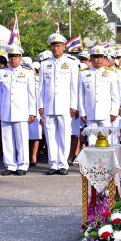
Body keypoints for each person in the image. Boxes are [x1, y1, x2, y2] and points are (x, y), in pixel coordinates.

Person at [0, 45, 38, 176]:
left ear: (20, 58)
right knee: (7, 140)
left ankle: (23, 165)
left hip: (21, 111)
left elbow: (31, 94)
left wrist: (32, 112)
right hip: (6, 110)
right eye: (11, 57)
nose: (13, 59)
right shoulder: (2, 72)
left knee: (21, 140)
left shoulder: (27, 72)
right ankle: (10, 165)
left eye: (16, 57)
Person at [39, 34, 78, 175]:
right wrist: (40, 105)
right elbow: (41, 88)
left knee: (64, 134)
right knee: (50, 135)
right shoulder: (45, 63)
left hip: (64, 104)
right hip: (49, 104)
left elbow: (74, 86)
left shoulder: (72, 62)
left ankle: (63, 163)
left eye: (59, 45)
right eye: (54, 45)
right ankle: (53, 163)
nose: (56, 48)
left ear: (64, 47)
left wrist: (74, 105)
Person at [78, 45, 120, 144]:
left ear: (104, 58)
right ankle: (93, 159)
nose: (98, 59)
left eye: (101, 57)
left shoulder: (111, 74)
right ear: (91, 59)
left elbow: (115, 95)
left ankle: (105, 159)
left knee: (106, 140)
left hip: (106, 112)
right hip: (90, 112)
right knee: (91, 141)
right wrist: (82, 112)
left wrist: (114, 111)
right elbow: (81, 95)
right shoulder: (83, 74)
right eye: (95, 57)